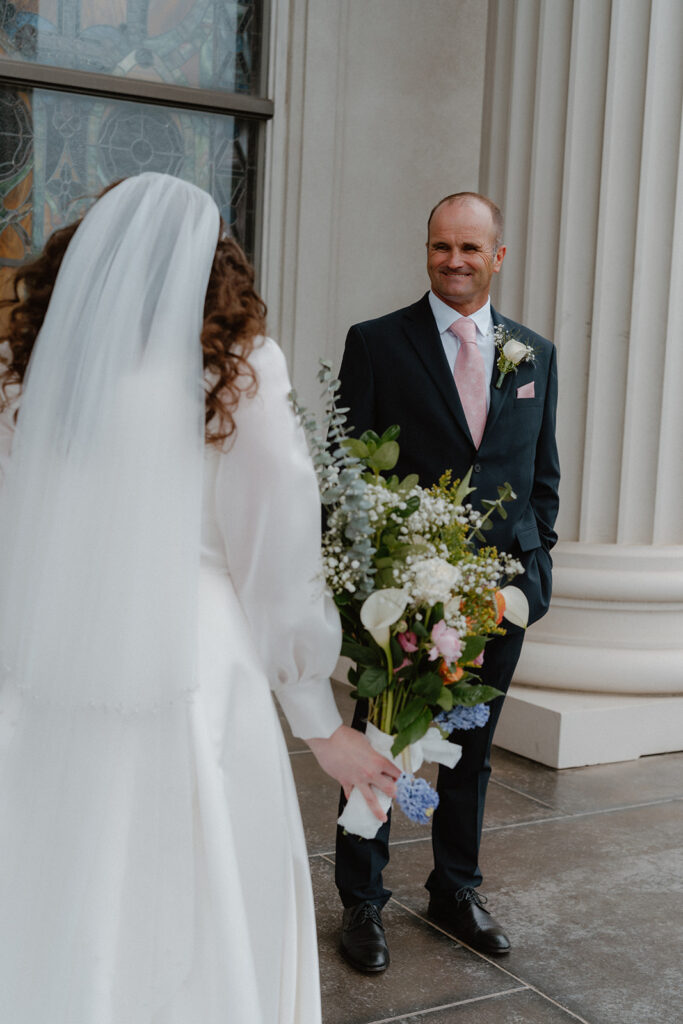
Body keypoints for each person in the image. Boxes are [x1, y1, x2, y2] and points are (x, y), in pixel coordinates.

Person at [0, 173, 399, 1024]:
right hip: (191, 656)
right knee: (186, 875)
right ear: (218, 263)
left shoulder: (31, 370)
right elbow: (276, 546)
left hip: (54, 646)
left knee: (62, 857)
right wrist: (317, 720)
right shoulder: (236, 366)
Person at [335, 192, 560, 971]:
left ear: (497, 256)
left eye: (470, 249)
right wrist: (368, 586)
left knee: (473, 747)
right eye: (441, 248)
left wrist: (534, 571)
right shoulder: (375, 343)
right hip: (403, 593)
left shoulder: (533, 355)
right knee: (378, 741)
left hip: (496, 595)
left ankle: (453, 888)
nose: (453, 262)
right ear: (425, 250)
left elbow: (540, 476)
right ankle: (362, 901)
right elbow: (348, 473)